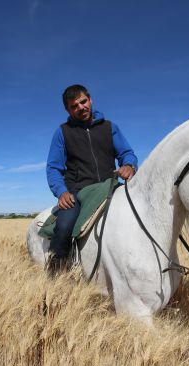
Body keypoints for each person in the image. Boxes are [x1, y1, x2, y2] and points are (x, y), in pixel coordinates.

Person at [45, 84, 138, 274]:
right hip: (77, 192)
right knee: (63, 226)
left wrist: (129, 165)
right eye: (74, 106)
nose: (80, 107)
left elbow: (127, 153)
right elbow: (53, 168)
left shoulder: (109, 127)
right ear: (68, 110)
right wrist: (61, 192)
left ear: (90, 99)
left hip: (110, 186)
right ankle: (56, 273)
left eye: (83, 101)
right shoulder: (62, 132)